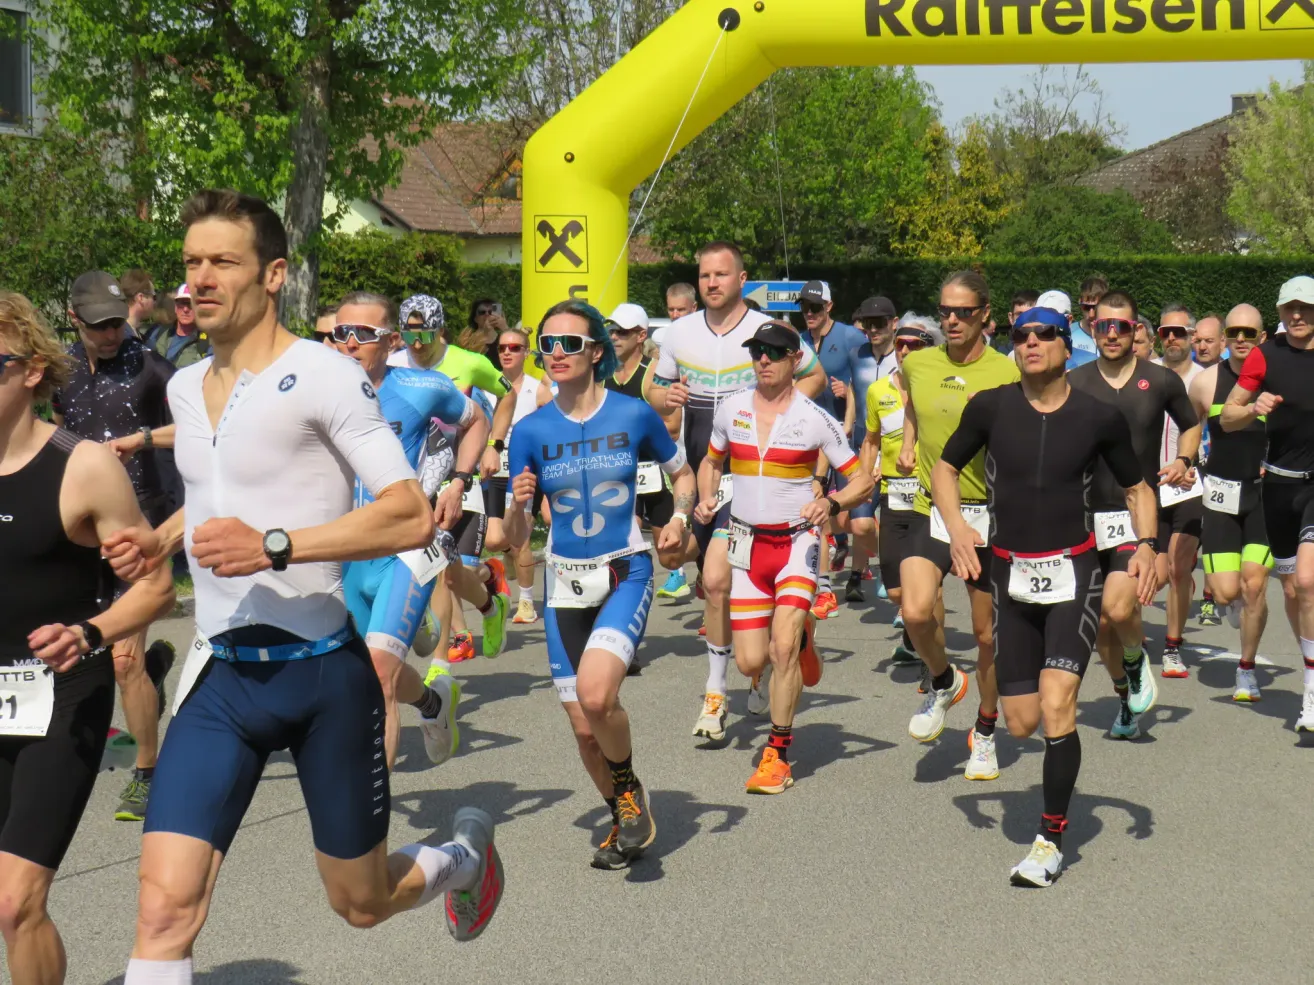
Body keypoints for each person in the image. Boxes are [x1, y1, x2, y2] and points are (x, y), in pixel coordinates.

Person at [104, 190, 504, 984]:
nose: (201, 279)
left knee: (360, 901)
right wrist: (161, 536)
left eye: (223, 262)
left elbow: (404, 516)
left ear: (275, 274)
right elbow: (221, 490)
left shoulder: (324, 374)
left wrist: (276, 546)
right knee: (163, 910)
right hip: (221, 679)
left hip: (322, 673)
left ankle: (462, 857)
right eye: (191, 263)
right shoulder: (185, 386)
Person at [932, 305, 1156, 887]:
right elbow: (945, 470)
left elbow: (1137, 486)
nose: (1031, 343)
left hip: (1074, 573)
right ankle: (1124, 658)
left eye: (1044, 334)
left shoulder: (1097, 416)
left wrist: (1148, 545)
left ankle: (1049, 840)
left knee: (1059, 704)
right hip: (1009, 573)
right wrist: (958, 530)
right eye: (1021, 335)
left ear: (1066, 343)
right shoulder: (990, 407)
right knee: (1024, 723)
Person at [0, 291, 175, 985]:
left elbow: (157, 587)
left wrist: (89, 630)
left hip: (60, 696)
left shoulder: (82, 466)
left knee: (15, 902)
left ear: (33, 370)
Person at [506, 299, 694, 868]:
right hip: (562, 579)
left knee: (597, 696)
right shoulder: (531, 430)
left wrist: (681, 517)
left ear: (595, 351)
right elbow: (511, 535)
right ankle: (625, 816)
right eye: (547, 344)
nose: (555, 354)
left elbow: (682, 473)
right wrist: (517, 507)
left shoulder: (633, 415)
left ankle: (629, 794)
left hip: (624, 569)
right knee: (584, 730)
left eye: (569, 343)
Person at [646, 240, 825, 744]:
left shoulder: (768, 331)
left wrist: (775, 406)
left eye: (721, 275)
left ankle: (715, 690)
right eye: (704, 275)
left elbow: (815, 376)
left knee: (718, 577)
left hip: (752, 475)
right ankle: (769, 649)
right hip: (703, 469)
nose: (711, 283)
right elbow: (654, 391)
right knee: (688, 567)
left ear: (741, 279)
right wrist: (668, 394)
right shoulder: (678, 333)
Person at [699, 320, 873, 793]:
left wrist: (832, 503)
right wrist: (705, 495)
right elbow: (711, 460)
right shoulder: (730, 408)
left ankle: (776, 755)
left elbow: (862, 479)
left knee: (780, 648)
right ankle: (802, 642)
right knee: (750, 664)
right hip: (747, 545)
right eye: (757, 351)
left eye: (775, 352)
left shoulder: (815, 418)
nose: (764, 360)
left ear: (796, 360)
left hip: (796, 543)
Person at [332, 291, 487, 769]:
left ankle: (368, 819)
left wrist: (458, 482)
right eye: (341, 333)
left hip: (407, 547)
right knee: (367, 671)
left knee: (378, 674)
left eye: (364, 335)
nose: (350, 343)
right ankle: (432, 704)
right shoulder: (313, 395)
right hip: (347, 554)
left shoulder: (423, 387)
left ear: (392, 341)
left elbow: (477, 419)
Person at [51, 269, 177, 822]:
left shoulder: (149, 366)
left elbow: (200, 427)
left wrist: (142, 439)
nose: (110, 333)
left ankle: (148, 771)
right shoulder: (59, 372)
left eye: (115, 322)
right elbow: (56, 435)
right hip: (79, 529)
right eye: (98, 325)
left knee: (122, 658)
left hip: (140, 524)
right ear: (74, 320)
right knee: (84, 651)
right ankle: (150, 675)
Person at [898, 270, 1019, 781]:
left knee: (987, 634)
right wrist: (908, 441)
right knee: (915, 611)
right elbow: (913, 403)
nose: (951, 319)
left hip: (987, 513)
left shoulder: (1006, 372)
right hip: (934, 504)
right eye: (945, 310)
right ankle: (944, 680)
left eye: (963, 311)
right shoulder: (917, 364)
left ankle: (986, 731)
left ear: (985, 315)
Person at [1069, 291, 1192, 739]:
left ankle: (1137, 659)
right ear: (1093, 328)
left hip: (1136, 513)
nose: (1113, 334)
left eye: (1123, 326)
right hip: (1084, 518)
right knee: (1101, 624)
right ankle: (1124, 694)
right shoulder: (1075, 381)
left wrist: (1185, 460)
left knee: (1120, 609)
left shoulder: (1159, 381)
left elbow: (1191, 423)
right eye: (1104, 326)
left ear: (1137, 329)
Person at [389, 296, 512, 666]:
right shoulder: (392, 366)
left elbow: (508, 394)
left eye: (425, 334)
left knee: (442, 569)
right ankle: (491, 603)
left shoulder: (469, 363)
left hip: (460, 476)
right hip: (412, 482)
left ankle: (439, 669)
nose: (418, 344)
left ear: (440, 329)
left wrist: (494, 445)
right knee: (446, 571)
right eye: (409, 335)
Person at [1222, 275, 1314, 732]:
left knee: (1308, 578)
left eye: (1306, 308)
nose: (1297, 315)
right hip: (1278, 485)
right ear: (1279, 312)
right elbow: (1230, 417)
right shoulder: (1265, 354)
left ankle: (1313, 692)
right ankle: (1310, 661)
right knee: (1293, 590)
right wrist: (1254, 407)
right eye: (1289, 308)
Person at [1188, 304, 1271, 701]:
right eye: (1234, 332)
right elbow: (1190, 429)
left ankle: (1246, 670)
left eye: (1249, 333)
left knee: (1254, 585)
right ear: (1225, 336)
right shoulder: (1205, 383)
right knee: (1224, 592)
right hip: (1220, 494)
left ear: (1262, 339)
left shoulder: (1278, 381)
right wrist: (1184, 462)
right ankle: (1231, 602)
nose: (1241, 339)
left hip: (1266, 497)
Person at [861, 316, 943, 666]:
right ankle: (915, 626)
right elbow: (870, 440)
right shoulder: (878, 391)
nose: (906, 351)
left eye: (915, 345)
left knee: (927, 581)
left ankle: (928, 651)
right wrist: (866, 478)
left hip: (932, 497)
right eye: (900, 344)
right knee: (896, 589)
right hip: (893, 493)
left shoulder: (940, 389)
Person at [603, 303, 685, 637]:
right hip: (619, 476)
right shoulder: (602, 375)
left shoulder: (653, 374)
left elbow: (674, 425)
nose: (614, 337)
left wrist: (631, 431)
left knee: (671, 555)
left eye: (621, 331)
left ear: (641, 336)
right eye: (610, 331)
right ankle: (623, 627)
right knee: (627, 544)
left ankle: (710, 565)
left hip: (657, 471)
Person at [798, 280, 865, 617]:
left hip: (844, 434)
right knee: (819, 506)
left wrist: (848, 395)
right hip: (810, 439)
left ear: (829, 307)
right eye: (805, 308)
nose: (810, 314)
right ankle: (824, 585)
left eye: (816, 308)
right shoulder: (798, 342)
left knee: (854, 518)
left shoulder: (851, 338)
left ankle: (856, 566)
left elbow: (864, 383)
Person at [485, 325, 552, 625]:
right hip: (491, 471)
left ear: (526, 353)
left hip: (524, 473)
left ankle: (526, 602)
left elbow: (554, 434)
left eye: (514, 348)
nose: (507, 353)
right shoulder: (486, 387)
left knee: (521, 537)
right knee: (495, 540)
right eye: (502, 348)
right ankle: (502, 565)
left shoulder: (538, 389)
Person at [1154, 303, 1205, 677]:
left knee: (1178, 563)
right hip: (1149, 485)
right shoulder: (1146, 375)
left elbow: (1218, 433)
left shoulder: (1205, 379)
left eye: (1179, 332)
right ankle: (1131, 634)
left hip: (1190, 485)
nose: (1172, 338)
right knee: (1149, 569)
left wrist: (1194, 465)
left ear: (1192, 337)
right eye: (1165, 332)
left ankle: (1172, 646)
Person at [841, 295, 898, 603]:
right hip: (864, 443)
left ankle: (893, 569)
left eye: (879, 323)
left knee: (894, 520)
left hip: (896, 446)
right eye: (867, 324)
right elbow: (852, 392)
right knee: (861, 523)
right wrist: (847, 427)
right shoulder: (856, 354)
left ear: (894, 323)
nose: (872, 330)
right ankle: (875, 567)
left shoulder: (905, 355)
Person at [154, 285, 209, 368]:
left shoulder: (206, 342)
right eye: (182, 303)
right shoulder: (159, 333)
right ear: (175, 307)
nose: (185, 309)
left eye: (190, 304)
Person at [1073, 274, 1108, 356]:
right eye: (1086, 307)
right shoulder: (1070, 334)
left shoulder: (1115, 335)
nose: (1091, 315)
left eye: (1096, 307)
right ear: (1080, 303)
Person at [120, 269, 157, 340]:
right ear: (141, 298)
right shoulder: (123, 336)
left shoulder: (131, 331)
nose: (154, 302)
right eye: (154, 297)